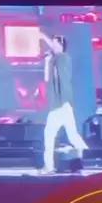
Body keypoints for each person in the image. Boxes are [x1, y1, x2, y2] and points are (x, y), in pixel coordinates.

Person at [39, 32, 88, 174]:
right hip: (58, 105)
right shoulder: (54, 60)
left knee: (54, 135)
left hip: (62, 104)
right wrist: (47, 62)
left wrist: (43, 36)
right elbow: (47, 78)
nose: (52, 46)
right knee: (69, 135)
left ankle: (50, 166)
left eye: (55, 44)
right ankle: (85, 158)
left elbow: (56, 50)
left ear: (61, 45)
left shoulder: (63, 58)